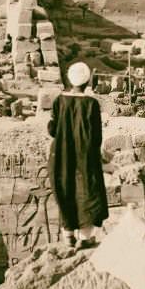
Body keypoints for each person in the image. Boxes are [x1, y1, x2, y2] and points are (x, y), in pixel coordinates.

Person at [48, 61, 108, 249]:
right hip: (85, 155)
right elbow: (97, 136)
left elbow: (52, 129)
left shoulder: (59, 101)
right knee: (87, 191)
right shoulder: (91, 103)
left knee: (65, 188)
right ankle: (85, 236)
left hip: (62, 153)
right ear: (88, 81)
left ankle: (68, 235)